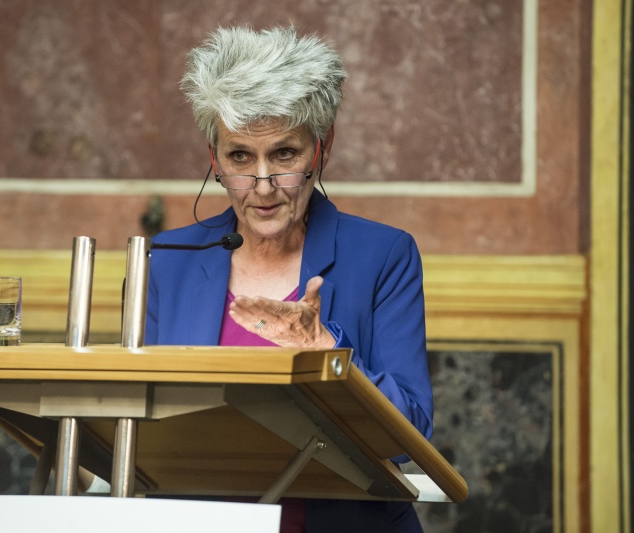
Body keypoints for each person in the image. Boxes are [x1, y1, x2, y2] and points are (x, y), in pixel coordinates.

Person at [146, 25, 432, 533]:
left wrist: (326, 351)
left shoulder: (385, 255)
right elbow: (142, 422)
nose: (262, 186)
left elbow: (409, 432)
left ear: (321, 149)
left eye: (284, 155)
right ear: (214, 159)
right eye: (240, 157)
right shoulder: (169, 259)